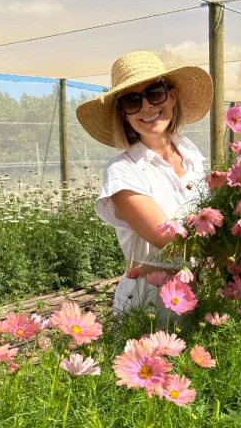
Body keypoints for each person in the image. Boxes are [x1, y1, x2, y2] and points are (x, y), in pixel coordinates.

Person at [76, 50, 213, 315]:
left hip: (207, 287)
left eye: (155, 93)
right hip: (152, 302)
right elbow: (170, 239)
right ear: (123, 113)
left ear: (171, 96)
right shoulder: (123, 171)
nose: (147, 107)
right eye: (132, 101)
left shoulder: (190, 153)